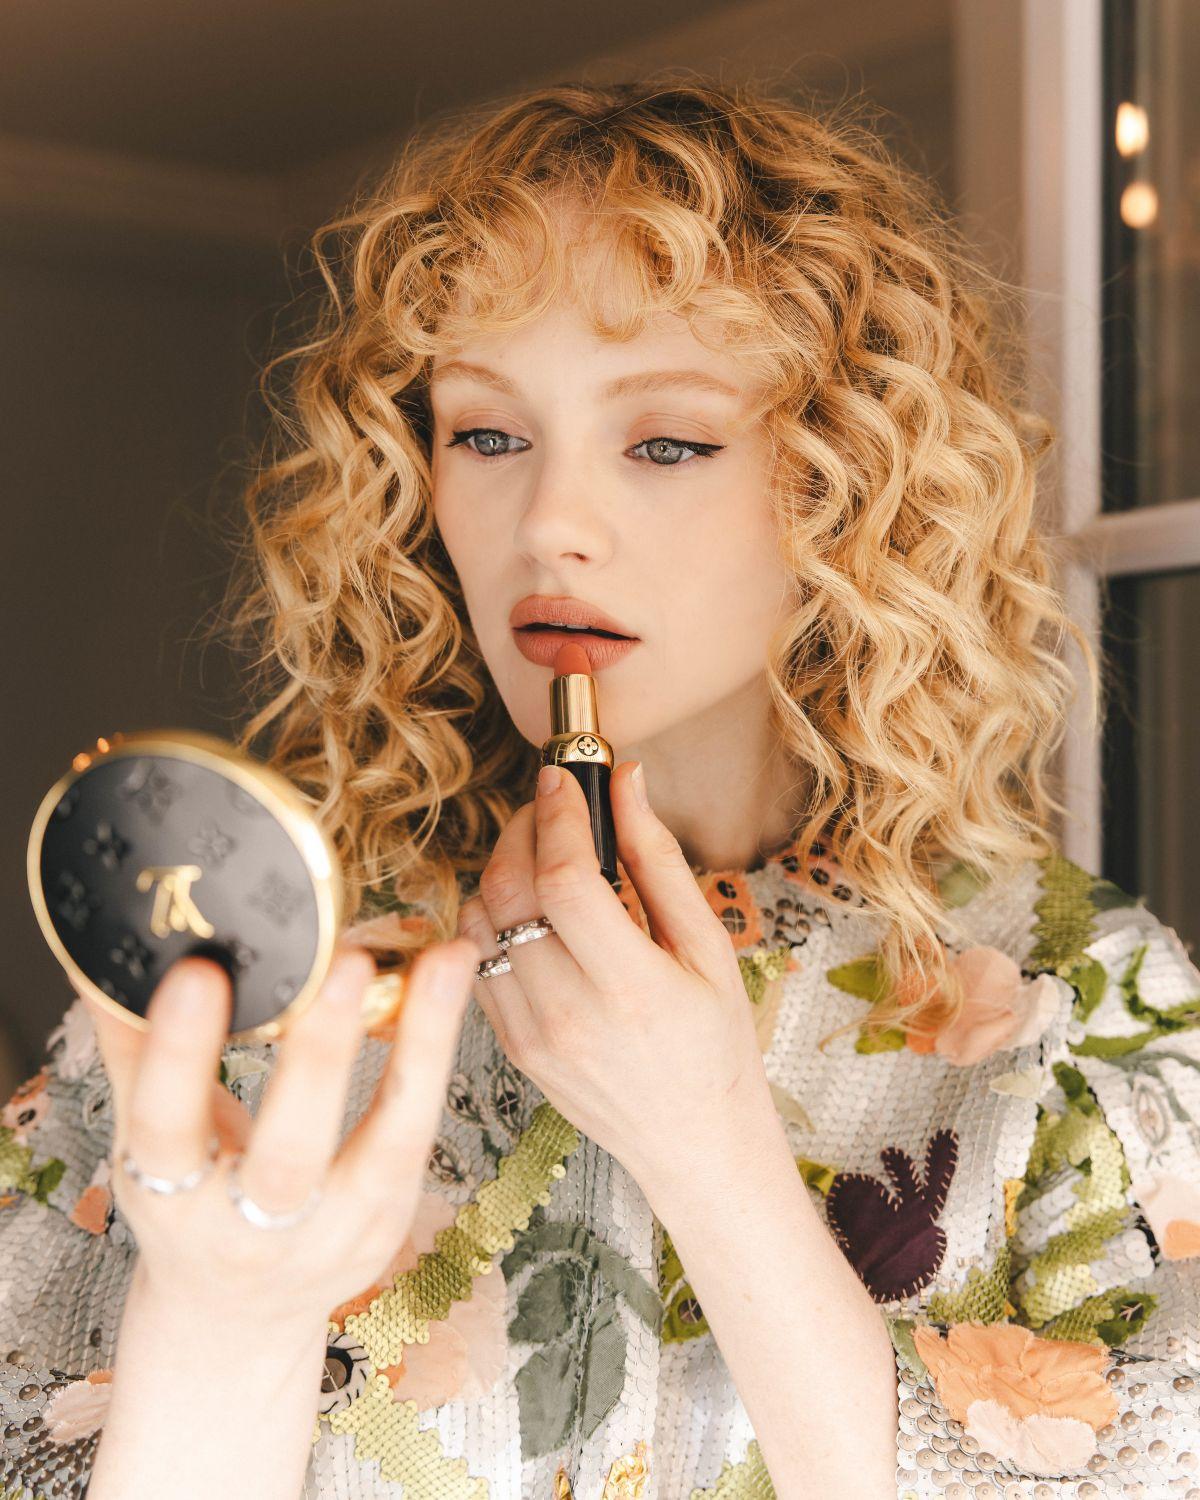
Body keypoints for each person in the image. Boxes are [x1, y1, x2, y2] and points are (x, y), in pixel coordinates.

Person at [2, 74, 1197, 1500]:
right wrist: (223, 1324)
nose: (550, 525)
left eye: (667, 443)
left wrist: (714, 1157)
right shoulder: (251, 991)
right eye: (487, 436)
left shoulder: (1085, 1013)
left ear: (850, 484)